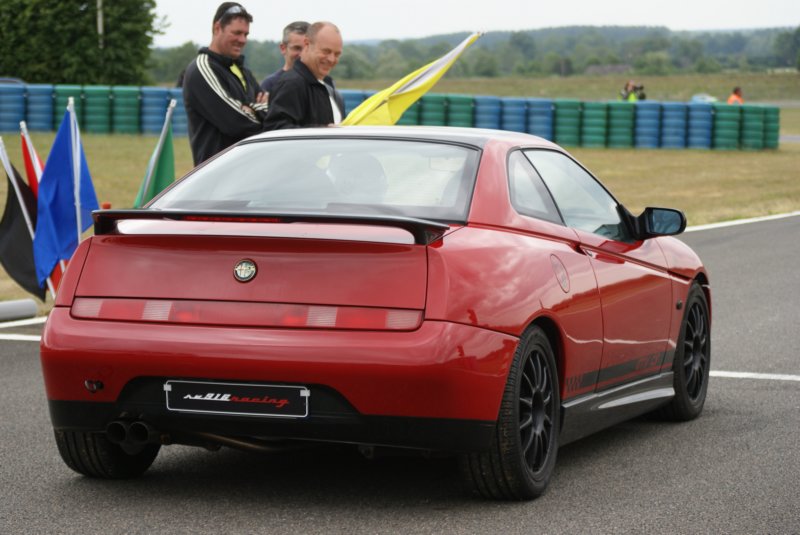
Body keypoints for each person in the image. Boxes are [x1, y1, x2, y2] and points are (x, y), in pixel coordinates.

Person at [182, 2, 268, 165]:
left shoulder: (242, 71)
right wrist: (260, 109)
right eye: (236, 33)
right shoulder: (202, 69)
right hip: (216, 177)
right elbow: (237, 123)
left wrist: (252, 109)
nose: (242, 40)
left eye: (246, 34)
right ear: (217, 28)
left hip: (246, 171)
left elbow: (272, 110)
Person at [263, 21, 345, 130]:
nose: (331, 59)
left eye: (337, 54)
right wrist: (323, 132)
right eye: (326, 51)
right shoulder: (292, 84)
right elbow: (276, 131)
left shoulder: (329, 89)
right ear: (307, 44)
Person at [260, 21, 310, 94]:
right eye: (297, 48)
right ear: (283, 48)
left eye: (307, 48)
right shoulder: (270, 84)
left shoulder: (322, 84)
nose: (302, 54)